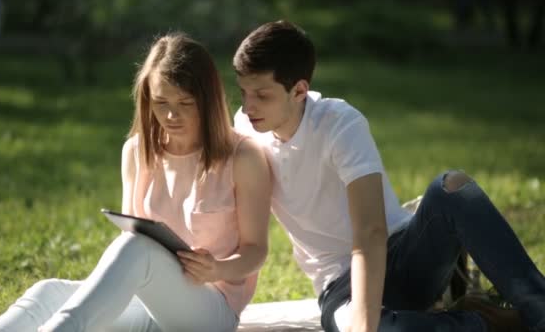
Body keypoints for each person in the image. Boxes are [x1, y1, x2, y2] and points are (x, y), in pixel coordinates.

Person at [233, 20, 545, 332]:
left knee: (452, 187)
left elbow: (370, 231)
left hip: (400, 254)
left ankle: (538, 309)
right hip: (340, 288)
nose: (248, 106)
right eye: (243, 92)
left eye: (262, 94)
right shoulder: (245, 129)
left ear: (299, 90)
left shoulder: (339, 124)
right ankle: (486, 321)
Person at [0, 32, 271, 332]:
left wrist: (217, 269)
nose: (171, 115)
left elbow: (256, 250)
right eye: (160, 102)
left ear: (206, 101)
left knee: (137, 248)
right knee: (47, 292)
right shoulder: (136, 150)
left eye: (185, 102)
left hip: (211, 310)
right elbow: (132, 238)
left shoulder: (243, 157)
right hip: (149, 301)